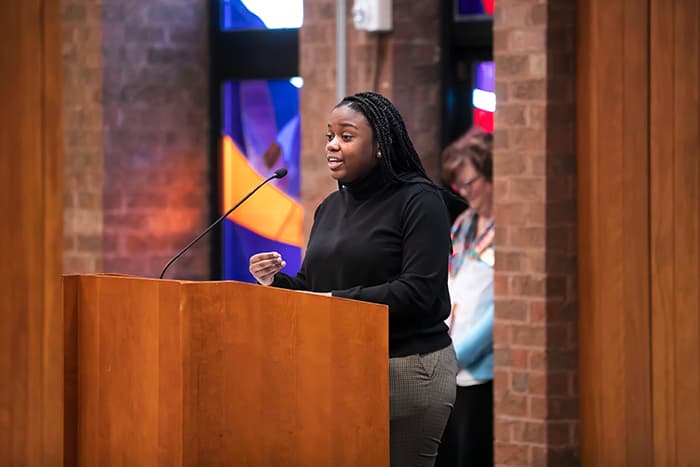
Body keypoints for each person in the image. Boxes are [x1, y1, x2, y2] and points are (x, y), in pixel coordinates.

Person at [249, 91, 458, 467]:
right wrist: (275, 283)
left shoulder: (420, 200)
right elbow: (313, 287)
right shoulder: (329, 208)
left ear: (380, 145)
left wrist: (334, 301)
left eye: (346, 136)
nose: (332, 145)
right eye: (329, 135)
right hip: (341, 365)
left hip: (408, 366)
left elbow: (419, 291)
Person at [435, 127, 495, 467]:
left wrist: (457, 355)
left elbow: (502, 313)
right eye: (459, 185)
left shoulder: (509, 229)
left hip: (477, 371)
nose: (464, 192)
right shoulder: (464, 224)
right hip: (448, 368)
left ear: (492, 176)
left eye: (469, 183)